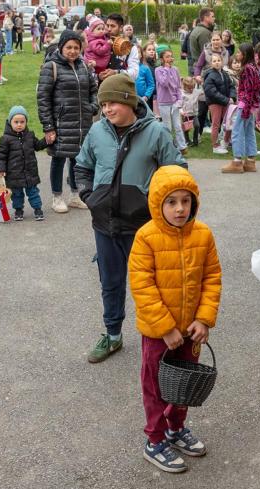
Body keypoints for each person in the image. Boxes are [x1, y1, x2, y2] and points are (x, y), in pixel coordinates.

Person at [74, 73, 187, 364]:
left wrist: (163, 208)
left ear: (128, 101)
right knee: (110, 282)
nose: (107, 110)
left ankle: (163, 334)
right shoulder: (97, 132)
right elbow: (82, 166)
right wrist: (89, 197)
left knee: (153, 285)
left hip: (144, 227)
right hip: (105, 224)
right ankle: (113, 335)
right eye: (103, 104)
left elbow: (177, 172)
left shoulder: (155, 133)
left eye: (112, 103)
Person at [129, 166, 222, 473]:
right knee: (155, 384)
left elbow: (212, 278)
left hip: (191, 331)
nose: (180, 208)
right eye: (171, 202)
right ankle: (155, 440)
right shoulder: (146, 238)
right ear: (158, 204)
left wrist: (204, 319)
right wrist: (165, 328)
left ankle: (176, 428)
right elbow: (142, 286)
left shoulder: (203, 235)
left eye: (186, 200)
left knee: (184, 384)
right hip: (160, 333)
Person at [36, 30, 98, 214]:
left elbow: (93, 89)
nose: (72, 51)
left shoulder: (83, 66)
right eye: (69, 47)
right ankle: (57, 197)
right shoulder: (51, 67)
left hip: (81, 123)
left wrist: (93, 107)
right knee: (58, 159)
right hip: (60, 123)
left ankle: (75, 195)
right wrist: (48, 126)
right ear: (61, 46)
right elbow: (43, 98)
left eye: (76, 47)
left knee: (77, 159)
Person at [0, 106, 47, 222]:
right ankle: (18, 210)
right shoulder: (5, 139)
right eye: (16, 122)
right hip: (14, 173)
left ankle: (38, 209)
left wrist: (47, 140)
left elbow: (38, 146)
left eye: (22, 122)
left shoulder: (30, 135)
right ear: (10, 122)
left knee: (33, 192)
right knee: (17, 194)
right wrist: (0, 169)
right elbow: (1, 156)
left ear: (26, 122)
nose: (19, 124)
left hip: (30, 172)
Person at [222, 42, 260, 174]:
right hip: (251, 105)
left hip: (245, 105)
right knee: (249, 131)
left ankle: (237, 161)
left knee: (237, 131)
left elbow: (250, 90)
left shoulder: (247, 69)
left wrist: (245, 108)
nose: (237, 55)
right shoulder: (253, 67)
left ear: (245, 55)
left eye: (239, 52)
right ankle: (250, 161)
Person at [155, 49, 188, 154]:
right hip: (164, 102)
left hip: (174, 102)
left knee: (177, 126)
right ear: (162, 59)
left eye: (171, 56)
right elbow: (164, 83)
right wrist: (166, 70)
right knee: (167, 127)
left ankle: (182, 147)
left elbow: (178, 86)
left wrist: (179, 100)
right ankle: (168, 147)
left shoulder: (176, 70)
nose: (170, 59)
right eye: (167, 57)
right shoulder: (158, 70)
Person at [203, 52, 235, 154]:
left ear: (222, 62)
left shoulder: (225, 74)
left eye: (218, 60)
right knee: (216, 124)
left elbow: (231, 86)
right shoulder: (210, 75)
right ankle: (215, 146)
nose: (217, 63)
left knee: (228, 122)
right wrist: (226, 100)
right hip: (214, 103)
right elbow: (211, 91)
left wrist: (232, 97)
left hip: (225, 102)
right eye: (214, 61)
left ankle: (225, 141)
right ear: (211, 63)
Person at [188, 8, 215, 73]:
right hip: (203, 68)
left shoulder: (197, 29)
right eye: (212, 16)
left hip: (196, 65)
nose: (214, 18)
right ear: (206, 18)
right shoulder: (204, 32)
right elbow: (207, 53)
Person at [181, 76, 203, 148]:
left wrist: (200, 82)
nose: (191, 89)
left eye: (192, 88)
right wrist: (181, 112)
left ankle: (195, 140)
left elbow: (204, 90)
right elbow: (179, 104)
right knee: (186, 129)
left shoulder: (195, 91)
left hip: (194, 114)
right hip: (186, 115)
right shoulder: (182, 94)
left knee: (197, 126)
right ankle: (187, 140)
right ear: (184, 87)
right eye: (189, 88)